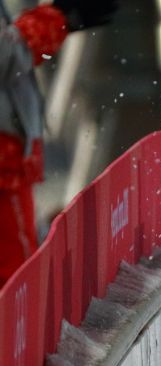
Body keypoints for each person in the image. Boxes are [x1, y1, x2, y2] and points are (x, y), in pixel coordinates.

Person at [0, 0, 117, 285]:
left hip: (10, 161)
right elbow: (4, 54)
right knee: (18, 285)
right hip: (5, 166)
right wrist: (58, 18)